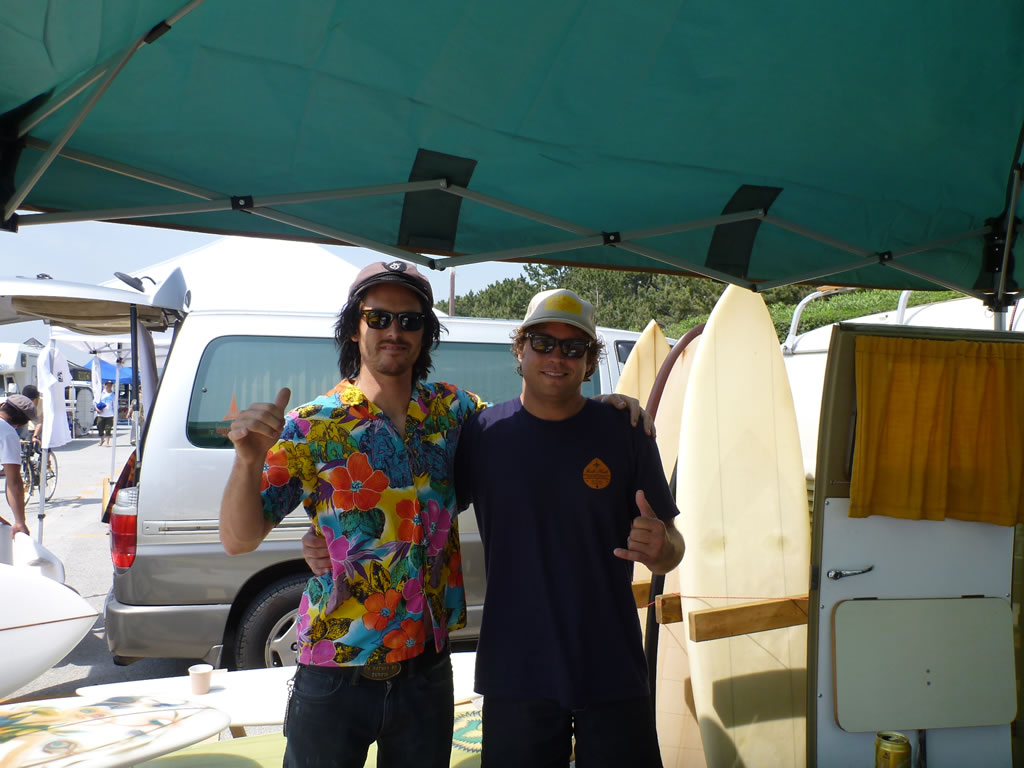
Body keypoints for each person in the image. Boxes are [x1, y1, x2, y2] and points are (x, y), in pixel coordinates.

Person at [222, 261, 646, 768]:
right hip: (336, 671)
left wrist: (602, 409)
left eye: (410, 320)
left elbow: (537, 419)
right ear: (354, 327)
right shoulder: (312, 426)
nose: (394, 331)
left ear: (426, 333)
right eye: (378, 318)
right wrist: (248, 462)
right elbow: (239, 539)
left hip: (426, 672)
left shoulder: (456, 414)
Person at [456, 288, 684, 768]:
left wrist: (661, 548)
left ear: (589, 361)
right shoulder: (483, 434)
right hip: (516, 667)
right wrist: (326, 536)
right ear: (520, 349)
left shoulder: (625, 431)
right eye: (542, 343)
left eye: (573, 347)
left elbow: (673, 549)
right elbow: (420, 513)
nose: (556, 357)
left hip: (611, 663)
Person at [0, 394, 37, 538]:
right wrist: (20, 522)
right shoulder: (8, 434)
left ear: (3, 405)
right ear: (22, 424)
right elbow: (13, 480)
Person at [95, 380, 115, 446]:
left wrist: (115, 415)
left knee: (108, 429)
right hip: (101, 415)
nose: (108, 386)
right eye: (107, 385)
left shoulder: (113, 395)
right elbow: (95, 403)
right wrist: (97, 410)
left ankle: (107, 442)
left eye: (110, 385)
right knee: (99, 427)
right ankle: (102, 438)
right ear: (105, 385)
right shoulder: (101, 394)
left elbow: (115, 406)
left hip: (110, 415)